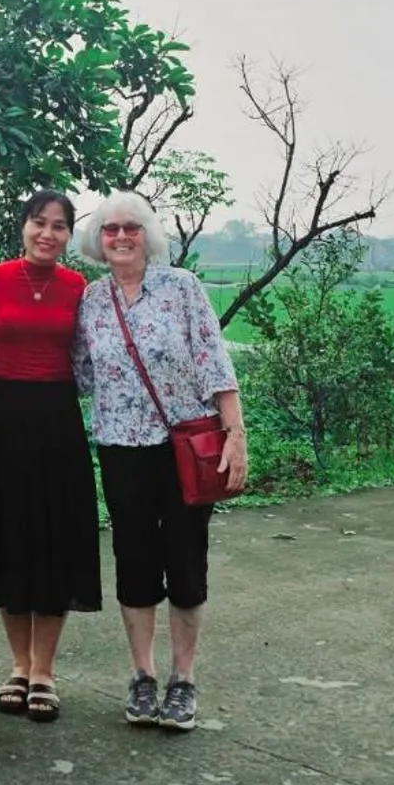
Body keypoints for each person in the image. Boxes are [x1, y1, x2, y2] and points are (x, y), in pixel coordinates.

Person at [72, 191, 248, 732]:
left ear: (147, 235)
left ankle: (184, 679)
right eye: (110, 229)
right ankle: (143, 676)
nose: (121, 236)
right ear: (97, 242)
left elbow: (214, 360)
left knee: (186, 558)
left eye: (130, 227)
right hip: (121, 447)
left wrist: (235, 431)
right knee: (134, 558)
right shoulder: (91, 301)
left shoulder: (182, 289)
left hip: (187, 444)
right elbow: (79, 374)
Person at [0, 189, 100, 722]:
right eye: (38, 223)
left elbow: (88, 351)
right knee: (9, 536)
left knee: (55, 538)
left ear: (69, 235)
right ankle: (18, 666)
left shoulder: (77, 287)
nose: (47, 233)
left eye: (59, 226)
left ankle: (45, 670)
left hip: (57, 419)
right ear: (22, 227)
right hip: (3, 417)